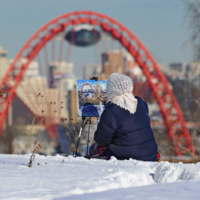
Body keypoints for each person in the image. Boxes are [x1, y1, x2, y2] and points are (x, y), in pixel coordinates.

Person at [93, 73, 158, 161]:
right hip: (150, 156)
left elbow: (101, 140)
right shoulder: (140, 103)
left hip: (127, 158)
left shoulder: (111, 110)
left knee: (94, 151)